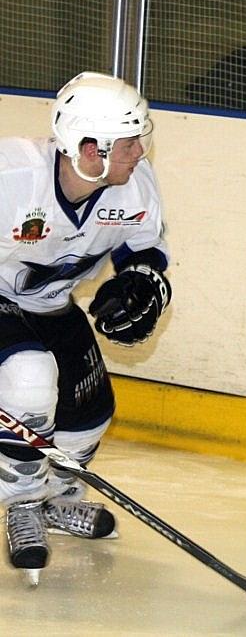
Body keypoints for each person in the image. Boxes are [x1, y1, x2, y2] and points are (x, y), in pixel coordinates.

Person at [0, 72, 172, 583]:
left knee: (89, 418)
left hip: (52, 305)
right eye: (129, 141)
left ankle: (54, 497)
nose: (140, 151)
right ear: (89, 148)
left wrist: (139, 285)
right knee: (29, 377)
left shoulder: (133, 183)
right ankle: (22, 504)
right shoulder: (12, 176)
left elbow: (144, 249)